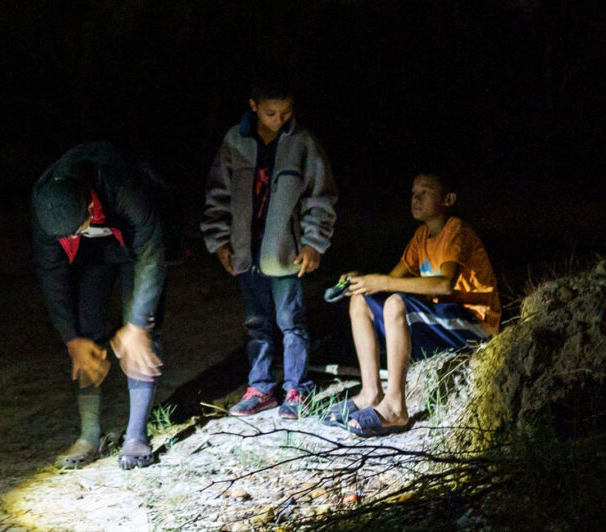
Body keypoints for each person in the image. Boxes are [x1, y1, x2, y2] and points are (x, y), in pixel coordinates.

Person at [201, 82, 338, 418]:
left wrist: (313, 243)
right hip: (246, 248)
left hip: (285, 250)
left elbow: (320, 197)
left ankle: (296, 388)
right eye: (271, 113)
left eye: (286, 112)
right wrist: (220, 240)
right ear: (253, 106)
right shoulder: (235, 141)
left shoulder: (302, 142)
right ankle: (261, 387)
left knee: (291, 320)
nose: (279, 119)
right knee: (256, 322)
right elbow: (217, 193)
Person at [330, 172, 501, 437]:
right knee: (360, 300)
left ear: (449, 199)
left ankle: (396, 407)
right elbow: (391, 279)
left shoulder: (456, 230)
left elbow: (444, 285)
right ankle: (370, 393)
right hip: (442, 320)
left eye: (425, 191)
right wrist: (361, 281)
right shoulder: (421, 236)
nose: (416, 198)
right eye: (413, 193)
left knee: (396, 302)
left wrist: (384, 283)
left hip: (474, 324)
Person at [32, 142, 168, 470]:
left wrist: (136, 325)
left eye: (75, 232)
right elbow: (51, 273)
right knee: (84, 330)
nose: (69, 240)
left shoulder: (123, 187)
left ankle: (136, 437)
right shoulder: (46, 205)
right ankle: (89, 436)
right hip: (96, 254)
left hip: (138, 242)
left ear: (91, 209)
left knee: (141, 333)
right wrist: (70, 338)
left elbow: (152, 253)